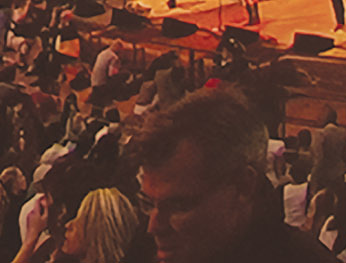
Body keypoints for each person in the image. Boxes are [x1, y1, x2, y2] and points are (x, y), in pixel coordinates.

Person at [134, 87, 317, 263]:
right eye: (148, 204)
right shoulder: (145, 249)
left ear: (243, 187)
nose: (154, 227)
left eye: (179, 206)